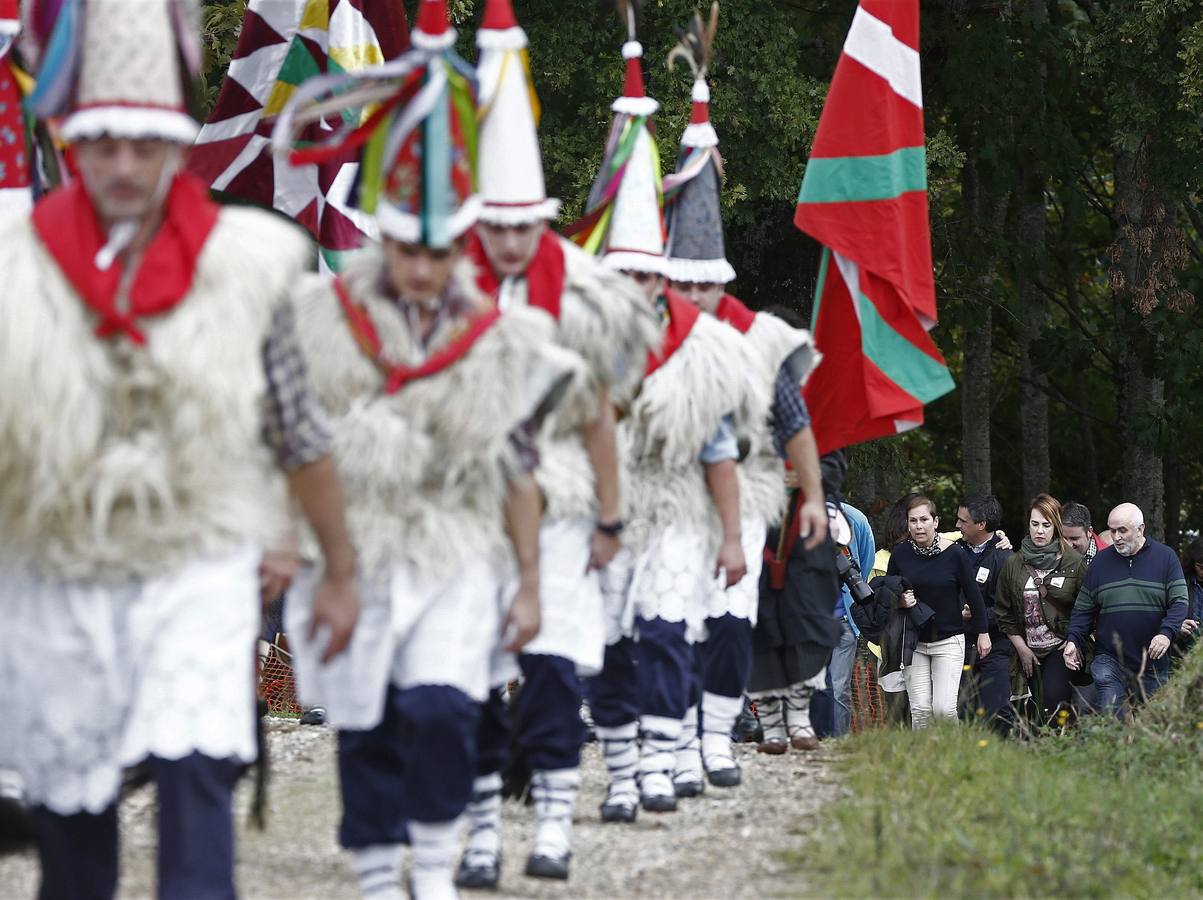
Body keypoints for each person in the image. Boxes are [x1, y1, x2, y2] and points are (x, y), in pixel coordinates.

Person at [0, 2, 361, 896]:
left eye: (147, 144)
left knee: (196, 770)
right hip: (60, 568)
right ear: (75, 144)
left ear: (175, 146)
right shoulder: (15, 270)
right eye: (106, 143)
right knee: (73, 812)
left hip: (196, 557)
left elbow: (298, 428)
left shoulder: (248, 266)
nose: (125, 166)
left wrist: (334, 563)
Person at [274, 5, 574, 895]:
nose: (419, 264)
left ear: (460, 246)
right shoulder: (325, 326)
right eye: (406, 244)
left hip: (453, 551)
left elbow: (517, 465)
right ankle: (375, 871)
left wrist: (526, 580)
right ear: (386, 236)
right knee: (365, 717)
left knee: (444, 710)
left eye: (439, 247)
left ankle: (435, 868)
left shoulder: (498, 341)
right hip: (357, 548)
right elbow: (286, 447)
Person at [458, 0, 658, 884]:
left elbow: (599, 415)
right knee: (465, 671)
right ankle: (471, 834)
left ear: (539, 217)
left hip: (565, 505)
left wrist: (611, 514)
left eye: (518, 224)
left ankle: (548, 825)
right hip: (465, 512)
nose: (505, 241)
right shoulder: (444, 287)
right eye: (491, 225)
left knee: (547, 671)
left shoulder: (581, 298)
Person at [572, 15, 756, 822]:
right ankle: (619, 768)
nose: (647, 291)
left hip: (675, 508)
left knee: (664, 633)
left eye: (656, 277)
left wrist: (726, 534)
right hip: (597, 511)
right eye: (633, 275)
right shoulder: (576, 346)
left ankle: (657, 759)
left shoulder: (698, 355)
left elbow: (719, 451)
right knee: (606, 647)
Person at [660, 8, 822, 792]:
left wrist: (815, 495)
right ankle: (670, 738)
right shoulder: (643, 333)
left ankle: (716, 740)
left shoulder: (757, 335)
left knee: (728, 624)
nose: (691, 292)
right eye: (680, 280)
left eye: (703, 281)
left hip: (744, 495)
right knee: (667, 623)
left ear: (719, 280)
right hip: (660, 498)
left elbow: (792, 419)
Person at [1064, 503, 1188, 718]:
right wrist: (1073, 640)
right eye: (1112, 530)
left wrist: (1166, 634)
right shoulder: (1101, 562)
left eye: (1123, 530)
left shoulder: (1165, 557)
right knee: (1112, 718)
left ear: (1140, 529)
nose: (1116, 536)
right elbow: (1083, 609)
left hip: (1152, 659)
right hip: (1109, 658)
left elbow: (1179, 601)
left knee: (1152, 723)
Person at [886, 496, 990, 729]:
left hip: (949, 640)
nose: (919, 526)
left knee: (943, 710)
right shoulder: (900, 554)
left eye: (924, 519)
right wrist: (899, 602)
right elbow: (887, 592)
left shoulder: (955, 554)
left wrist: (983, 632)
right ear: (907, 524)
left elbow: (974, 596)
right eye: (913, 521)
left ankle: (952, 760)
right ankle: (923, 763)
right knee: (921, 710)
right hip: (914, 642)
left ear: (936, 521)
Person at [994, 495, 1087, 725]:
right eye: (1035, 524)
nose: (1040, 531)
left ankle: (1061, 749)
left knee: (1052, 704)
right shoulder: (1013, 563)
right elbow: (1003, 611)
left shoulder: (1073, 562)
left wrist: (1074, 639)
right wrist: (1021, 648)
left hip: (1060, 647)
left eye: (1046, 525)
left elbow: (1087, 607)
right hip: (1025, 649)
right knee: (1031, 710)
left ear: (1056, 526)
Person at [954, 494, 1013, 725]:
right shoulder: (954, 551)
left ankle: (1004, 758)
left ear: (981, 525)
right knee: (963, 711)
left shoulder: (1005, 558)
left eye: (963, 521)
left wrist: (978, 616)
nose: (957, 525)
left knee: (997, 711)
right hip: (958, 645)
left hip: (994, 647)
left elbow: (1010, 608)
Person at [1175, 536, 1203, 656]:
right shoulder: (1180, 583)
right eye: (1200, 567)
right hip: (1183, 654)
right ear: (1192, 563)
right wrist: (1178, 628)